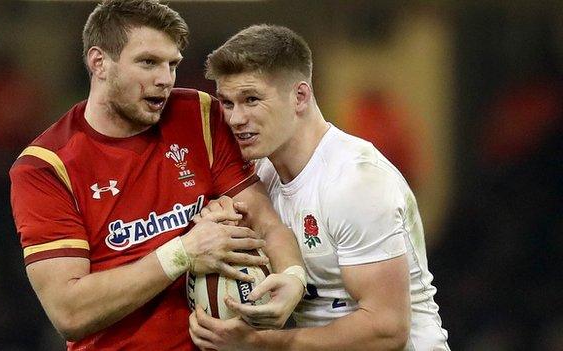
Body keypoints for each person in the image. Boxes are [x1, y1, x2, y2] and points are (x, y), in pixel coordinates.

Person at [9, 3, 306, 350]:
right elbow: (69, 312)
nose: (165, 79)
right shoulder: (45, 167)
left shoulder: (198, 115)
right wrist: (183, 251)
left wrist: (292, 278)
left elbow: (265, 222)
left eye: (172, 64)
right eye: (148, 62)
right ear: (99, 62)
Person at [189, 24, 450, 350]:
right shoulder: (261, 177)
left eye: (251, 99)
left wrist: (262, 344)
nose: (235, 118)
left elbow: (386, 329)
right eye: (227, 103)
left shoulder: (355, 181)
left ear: (299, 96)